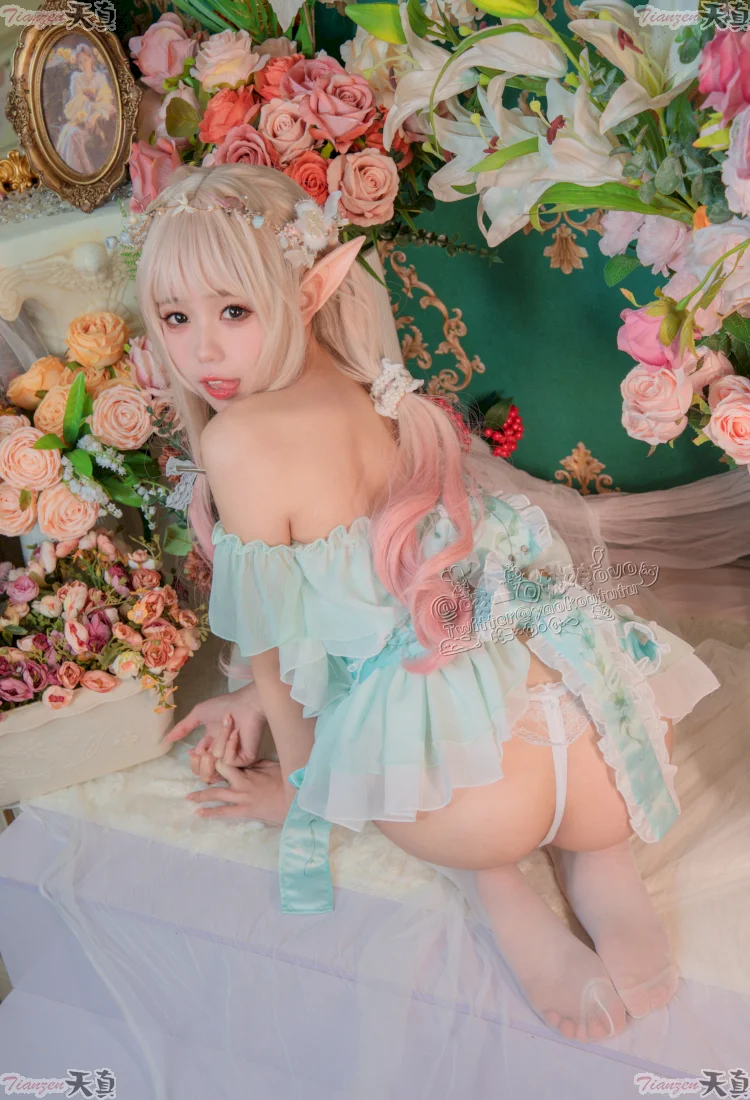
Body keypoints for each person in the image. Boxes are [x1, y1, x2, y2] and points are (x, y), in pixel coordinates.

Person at [132, 162, 720, 1046]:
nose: (203, 352)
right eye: (176, 318)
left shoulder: (239, 439)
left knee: (409, 778)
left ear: (309, 289)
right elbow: (377, 585)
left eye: (234, 312)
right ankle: (601, 862)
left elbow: (279, 643)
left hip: (482, 808)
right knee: (560, 784)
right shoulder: (373, 383)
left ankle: (496, 886)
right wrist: (250, 699)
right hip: (600, 724)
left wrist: (301, 789)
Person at [55, 44, 115, 176]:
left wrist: (95, 115)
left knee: (74, 135)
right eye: (80, 62)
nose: (83, 64)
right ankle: (80, 175)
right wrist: (86, 100)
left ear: (91, 59)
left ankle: (83, 176)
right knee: (71, 134)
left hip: (98, 124)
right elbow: (76, 104)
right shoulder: (76, 78)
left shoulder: (100, 77)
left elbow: (107, 102)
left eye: (85, 60)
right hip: (80, 120)